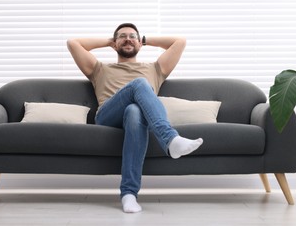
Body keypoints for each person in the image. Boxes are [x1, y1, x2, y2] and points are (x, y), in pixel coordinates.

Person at [67, 23, 203, 213]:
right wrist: (109, 41)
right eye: (122, 36)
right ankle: (170, 139)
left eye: (133, 36)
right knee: (138, 84)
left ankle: (129, 195)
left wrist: (145, 40)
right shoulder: (99, 69)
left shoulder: (156, 69)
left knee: (134, 110)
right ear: (115, 43)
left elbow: (179, 42)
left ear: (140, 43)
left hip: (137, 119)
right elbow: (73, 43)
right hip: (108, 117)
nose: (128, 39)